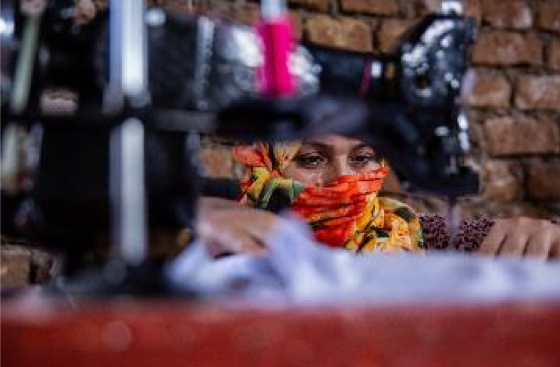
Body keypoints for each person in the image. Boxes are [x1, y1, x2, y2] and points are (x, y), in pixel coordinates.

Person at [197, 134, 560, 261]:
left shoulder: (411, 233)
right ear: (264, 163)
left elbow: (487, 239)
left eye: (363, 158)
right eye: (310, 159)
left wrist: (545, 236)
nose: (344, 177)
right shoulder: (219, 229)